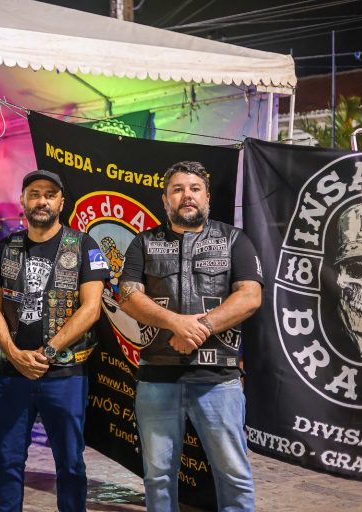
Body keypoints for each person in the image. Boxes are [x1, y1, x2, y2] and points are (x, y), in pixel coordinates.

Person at [118, 161, 263, 511]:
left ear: (207, 196)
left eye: (195, 189)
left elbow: (250, 296)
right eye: (178, 189)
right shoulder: (144, 242)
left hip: (219, 381)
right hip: (157, 378)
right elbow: (128, 296)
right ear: (165, 199)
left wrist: (201, 327)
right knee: (157, 477)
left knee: (234, 475)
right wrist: (175, 323)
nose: (187, 196)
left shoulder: (234, 240)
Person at [0, 169, 109, 512]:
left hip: (65, 375)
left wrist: (49, 351)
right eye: (35, 194)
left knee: (70, 464)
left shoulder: (83, 245)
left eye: (50, 195)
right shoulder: (6, 246)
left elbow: (91, 308)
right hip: (11, 374)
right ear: (23, 200)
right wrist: (13, 353)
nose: (42, 201)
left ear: (61, 202)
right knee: (7, 461)